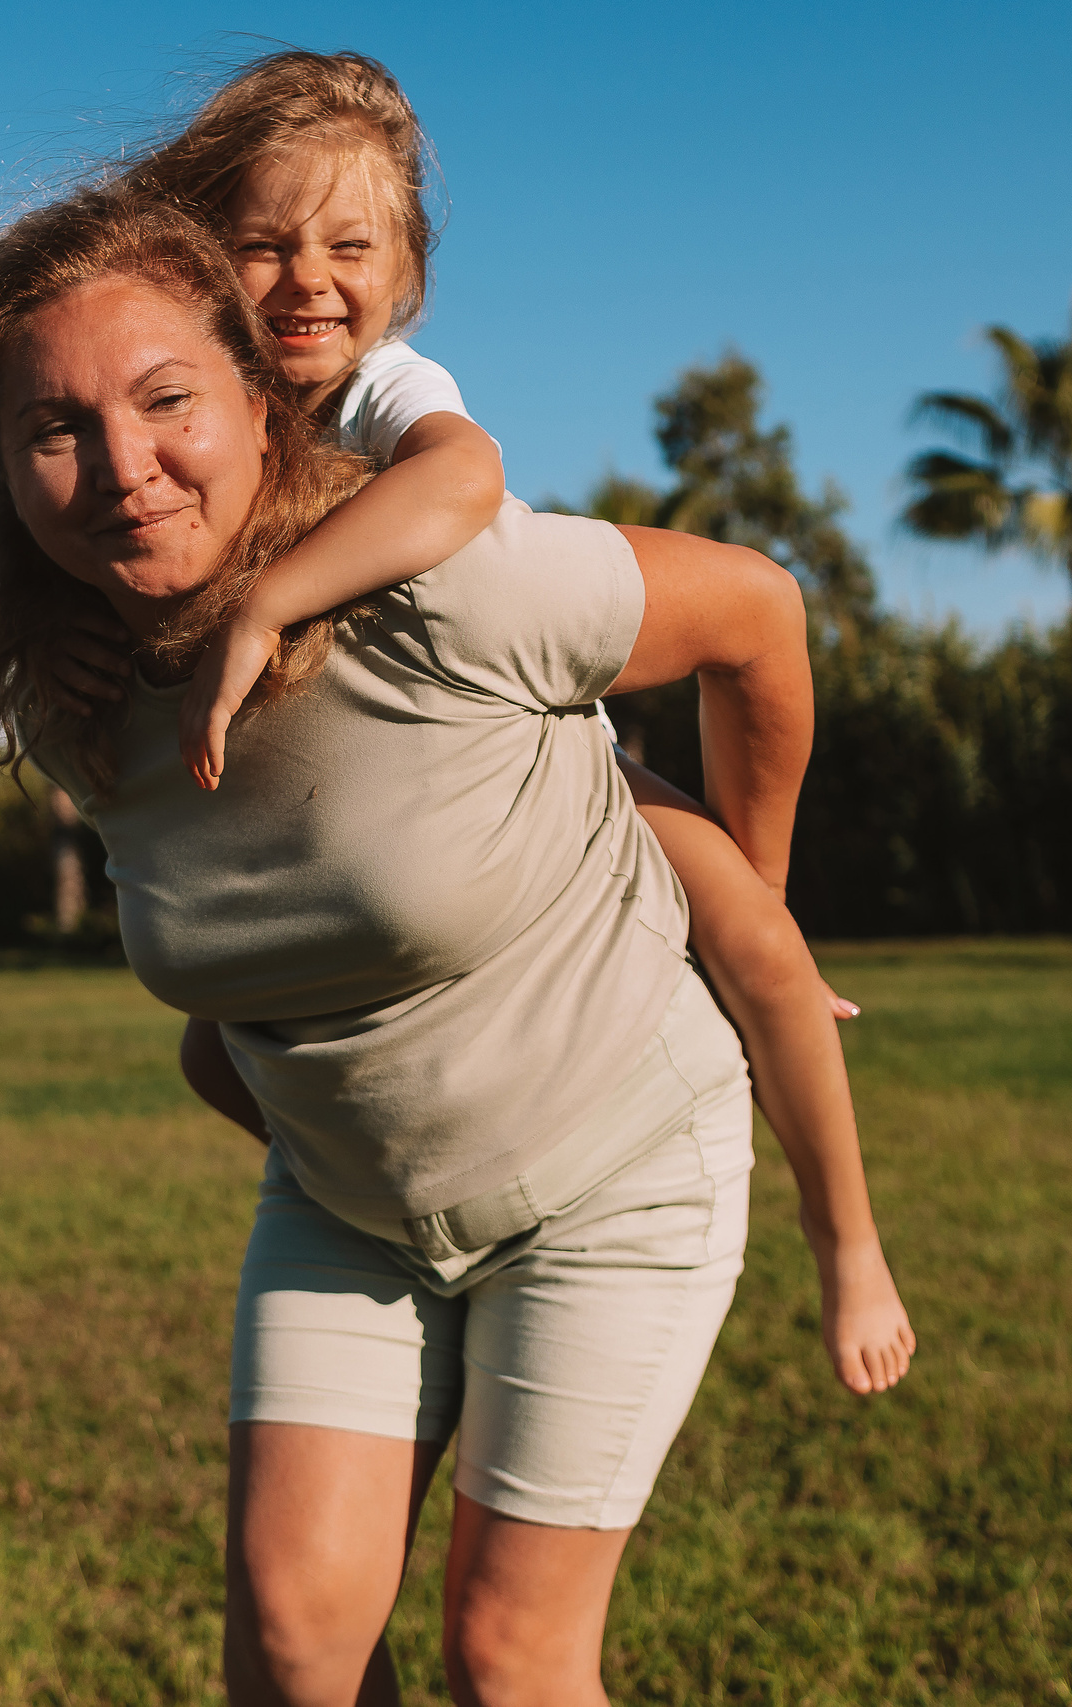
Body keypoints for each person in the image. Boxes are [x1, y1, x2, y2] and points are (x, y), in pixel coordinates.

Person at [0, 184, 910, 1705]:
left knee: (509, 1660)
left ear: (263, 396)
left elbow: (759, 612)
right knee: (295, 1646)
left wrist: (744, 904)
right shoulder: (74, 699)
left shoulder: (443, 580)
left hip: (614, 1175)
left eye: (168, 399)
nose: (123, 468)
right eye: (53, 431)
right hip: (350, 1206)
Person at [113, 48, 905, 1398]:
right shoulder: (200, 413)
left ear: (405, 263)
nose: (310, 278)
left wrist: (272, 601)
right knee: (215, 1043)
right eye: (264, 242)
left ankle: (850, 1250)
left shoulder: (384, 392)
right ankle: (377, 1185)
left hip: (558, 766)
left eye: (351, 244)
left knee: (763, 954)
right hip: (356, 835)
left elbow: (464, 478)